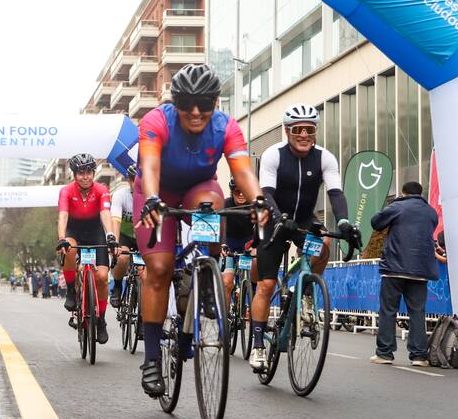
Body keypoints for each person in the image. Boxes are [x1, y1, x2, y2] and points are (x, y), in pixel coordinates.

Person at [135, 63, 266, 396]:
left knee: (213, 202)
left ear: (216, 102)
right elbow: (149, 165)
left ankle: (204, 278)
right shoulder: (156, 121)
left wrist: (261, 202)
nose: (195, 112)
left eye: (204, 104)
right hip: (157, 193)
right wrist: (151, 198)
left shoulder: (226, 126)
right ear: (174, 102)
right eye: (186, 104)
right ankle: (151, 359)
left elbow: (243, 171)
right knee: (160, 268)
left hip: (198, 188)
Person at [250, 103, 361, 370]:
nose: (304, 135)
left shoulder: (325, 157)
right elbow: (266, 192)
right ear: (287, 131)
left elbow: (335, 193)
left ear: (316, 132)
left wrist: (344, 222)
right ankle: (257, 345)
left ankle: (308, 288)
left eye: (309, 130)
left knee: (323, 242)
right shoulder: (272, 154)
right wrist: (278, 217)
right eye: (298, 129)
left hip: (302, 219)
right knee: (265, 285)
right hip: (274, 218)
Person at [369, 181, 440, 366]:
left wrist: (394, 203)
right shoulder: (431, 212)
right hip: (420, 270)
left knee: (388, 310)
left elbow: (376, 222)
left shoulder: (398, 206)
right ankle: (419, 356)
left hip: (395, 267)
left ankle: (384, 353)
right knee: (417, 312)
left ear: (403, 192)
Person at [56, 153, 116, 344]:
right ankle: (72, 290)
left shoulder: (102, 189)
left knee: (102, 277)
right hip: (74, 230)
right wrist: (62, 238)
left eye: (89, 172)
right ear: (75, 174)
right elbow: (63, 215)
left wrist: (110, 236)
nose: (85, 176)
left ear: (93, 172)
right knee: (70, 249)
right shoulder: (66, 191)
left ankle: (101, 320)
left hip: (95, 231)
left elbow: (105, 213)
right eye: (81, 173)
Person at [219, 176, 255, 311]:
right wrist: (222, 245)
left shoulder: (254, 206)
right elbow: (221, 226)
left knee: (253, 282)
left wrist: (256, 245)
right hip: (229, 244)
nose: (240, 195)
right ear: (232, 192)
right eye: (236, 191)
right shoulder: (226, 204)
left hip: (248, 244)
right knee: (227, 282)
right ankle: (225, 322)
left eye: (243, 191)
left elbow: (260, 227)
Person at [108, 164, 138, 310]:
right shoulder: (121, 195)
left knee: (145, 274)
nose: (136, 183)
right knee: (123, 257)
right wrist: (116, 245)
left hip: (143, 237)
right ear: (129, 181)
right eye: (133, 179)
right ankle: (118, 286)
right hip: (125, 236)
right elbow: (116, 220)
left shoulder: (151, 196)